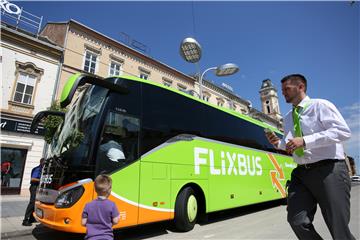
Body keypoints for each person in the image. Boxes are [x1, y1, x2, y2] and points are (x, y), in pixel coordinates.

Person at [265, 74, 355, 240]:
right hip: (301, 173)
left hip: (329, 169)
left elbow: (342, 132)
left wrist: (306, 141)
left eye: (287, 89)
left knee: (338, 228)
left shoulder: (320, 106)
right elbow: (291, 144)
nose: (283, 93)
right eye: (282, 89)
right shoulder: (288, 118)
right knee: (296, 220)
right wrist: (278, 144)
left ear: (301, 87)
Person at [82, 174, 120, 240]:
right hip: (107, 237)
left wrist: (92, 226)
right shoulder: (112, 205)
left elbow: (83, 223)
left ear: (95, 189)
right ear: (109, 189)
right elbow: (115, 221)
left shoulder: (88, 205)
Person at [22, 158, 44, 226]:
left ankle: (31, 218)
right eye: (44, 163)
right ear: (41, 162)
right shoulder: (37, 169)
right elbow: (33, 178)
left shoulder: (41, 169)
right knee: (32, 203)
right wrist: (41, 180)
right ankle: (25, 220)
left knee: (35, 203)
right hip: (34, 187)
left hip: (36, 188)